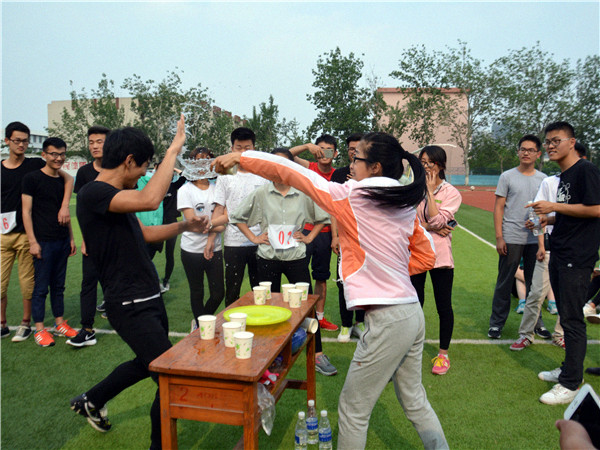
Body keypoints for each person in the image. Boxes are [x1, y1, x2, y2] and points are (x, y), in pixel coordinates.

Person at [213, 132, 447, 449]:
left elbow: (291, 173)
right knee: (414, 400)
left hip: (388, 320)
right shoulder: (403, 201)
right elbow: (426, 255)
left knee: (353, 410)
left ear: (375, 167)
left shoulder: (353, 196)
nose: (351, 166)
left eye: (356, 159)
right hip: (411, 313)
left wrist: (241, 158)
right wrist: (387, 272)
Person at [70, 117, 208, 449]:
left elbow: (144, 233)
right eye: (144, 166)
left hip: (147, 296)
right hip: (129, 303)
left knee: (147, 362)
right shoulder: (94, 193)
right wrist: (173, 150)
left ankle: (91, 400)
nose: (144, 174)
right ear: (129, 161)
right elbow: (151, 199)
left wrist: (185, 226)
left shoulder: (116, 196)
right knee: (169, 376)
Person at [229, 148, 337, 376]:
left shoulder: (303, 192)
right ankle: (270, 357)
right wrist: (254, 238)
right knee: (268, 309)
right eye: (274, 164)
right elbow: (237, 217)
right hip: (267, 259)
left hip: (296, 258)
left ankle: (317, 354)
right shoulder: (261, 193)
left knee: (307, 307)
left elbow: (323, 217)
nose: (278, 169)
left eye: (283, 164)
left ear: (291, 167)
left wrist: (309, 237)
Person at [534, 121, 600, 405]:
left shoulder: (585, 170)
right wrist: (548, 219)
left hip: (577, 255)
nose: (550, 146)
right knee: (565, 314)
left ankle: (571, 383)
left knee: (572, 319)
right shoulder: (565, 176)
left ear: (572, 142)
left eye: (556, 140)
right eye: (547, 141)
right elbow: (573, 211)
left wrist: (553, 207)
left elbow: (596, 209)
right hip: (560, 251)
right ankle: (568, 369)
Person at [1, 121, 73, 342]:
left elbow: (68, 178)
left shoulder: (38, 167)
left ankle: (37, 324)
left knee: (40, 285)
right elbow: (24, 209)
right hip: (16, 236)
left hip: (39, 236)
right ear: (7, 141)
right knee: (11, 284)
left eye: (25, 141)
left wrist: (65, 210)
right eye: (17, 140)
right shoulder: (16, 173)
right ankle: (13, 325)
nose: (21, 144)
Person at [488, 134, 548, 339]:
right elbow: (498, 207)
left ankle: (537, 323)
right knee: (504, 282)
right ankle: (496, 324)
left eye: (531, 150)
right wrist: (499, 237)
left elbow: (542, 212)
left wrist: (542, 242)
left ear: (538, 154)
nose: (526, 153)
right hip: (511, 237)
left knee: (535, 285)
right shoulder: (507, 177)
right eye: (523, 149)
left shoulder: (544, 180)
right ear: (518, 152)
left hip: (534, 239)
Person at [410, 145, 462, 375]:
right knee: (414, 303)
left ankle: (443, 355)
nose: (425, 167)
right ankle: (411, 347)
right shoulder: (414, 188)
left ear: (440, 166)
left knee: (443, 306)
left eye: (429, 163)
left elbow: (438, 220)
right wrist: (430, 226)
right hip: (416, 253)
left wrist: (430, 192)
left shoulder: (451, 193)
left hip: (440, 257)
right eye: (422, 162)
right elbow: (408, 220)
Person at [22, 137, 78, 347]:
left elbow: (65, 213)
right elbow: (26, 212)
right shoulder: (32, 179)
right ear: (43, 154)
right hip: (43, 242)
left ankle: (59, 323)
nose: (58, 158)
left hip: (62, 240)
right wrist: (32, 242)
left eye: (62, 154)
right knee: (41, 287)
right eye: (54, 154)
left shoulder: (62, 180)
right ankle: (39, 329)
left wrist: (71, 237)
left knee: (58, 286)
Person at [211, 127, 268, 306]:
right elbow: (219, 208)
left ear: (254, 148)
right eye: (239, 148)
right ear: (232, 149)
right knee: (232, 292)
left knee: (261, 292)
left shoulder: (262, 174)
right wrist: (210, 237)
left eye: (247, 148)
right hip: (233, 242)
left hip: (260, 241)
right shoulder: (225, 176)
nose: (243, 152)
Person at [289, 135, 339, 331]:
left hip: (326, 232)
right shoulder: (308, 167)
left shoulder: (337, 175)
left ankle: (319, 317)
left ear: (335, 153)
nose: (324, 153)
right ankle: (300, 317)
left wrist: (335, 236)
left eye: (329, 150)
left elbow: (335, 208)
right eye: (320, 149)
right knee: (299, 275)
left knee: (321, 277)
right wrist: (306, 146)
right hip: (305, 229)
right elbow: (286, 155)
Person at [68, 125, 110, 347]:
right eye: (91, 142)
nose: (94, 146)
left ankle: (122, 316)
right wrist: (85, 238)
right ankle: (87, 329)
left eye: (99, 141)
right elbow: (82, 209)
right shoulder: (84, 173)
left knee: (117, 281)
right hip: (93, 238)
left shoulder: (118, 169)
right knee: (88, 283)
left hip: (115, 236)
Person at [177, 147, 224, 327]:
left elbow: (224, 221)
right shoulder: (185, 190)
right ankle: (200, 326)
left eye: (206, 159)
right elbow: (192, 223)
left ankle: (200, 322)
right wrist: (215, 224)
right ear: (191, 164)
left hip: (215, 248)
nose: (202, 164)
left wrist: (211, 236)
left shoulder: (217, 189)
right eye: (198, 160)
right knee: (197, 292)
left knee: (218, 293)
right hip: (191, 250)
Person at [331, 133, 365, 342]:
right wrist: (335, 236)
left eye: (358, 149)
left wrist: (359, 183)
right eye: (352, 149)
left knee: (363, 279)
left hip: (365, 239)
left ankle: (359, 322)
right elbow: (333, 208)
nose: (354, 152)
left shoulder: (370, 175)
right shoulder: (339, 174)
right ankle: (345, 324)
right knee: (343, 281)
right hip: (344, 238)